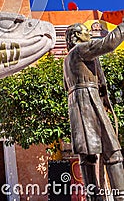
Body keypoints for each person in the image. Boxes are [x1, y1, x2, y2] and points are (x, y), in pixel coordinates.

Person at [64, 22, 124, 201]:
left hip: (77, 106)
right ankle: (120, 195)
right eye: (85, 32)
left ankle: (94, 197)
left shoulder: (67, 59)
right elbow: (110, 43)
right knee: (113, 151)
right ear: (76, 37)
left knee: (87, 155)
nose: (89, 34)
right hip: (89, 101)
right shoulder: (81, 50)